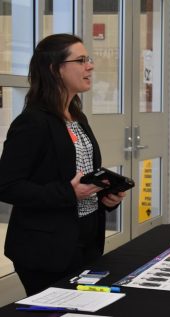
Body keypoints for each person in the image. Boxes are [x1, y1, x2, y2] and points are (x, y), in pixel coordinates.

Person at [0, 33, 125, 296]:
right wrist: (68, 193)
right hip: (45, 249)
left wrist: (105, 196)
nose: (90, 66)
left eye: (88, 59)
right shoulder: (32, 122)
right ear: (55, 69)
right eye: (81, 60)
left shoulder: (76, 116)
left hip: (84, 241)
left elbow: (79, 175)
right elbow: (8, 186)